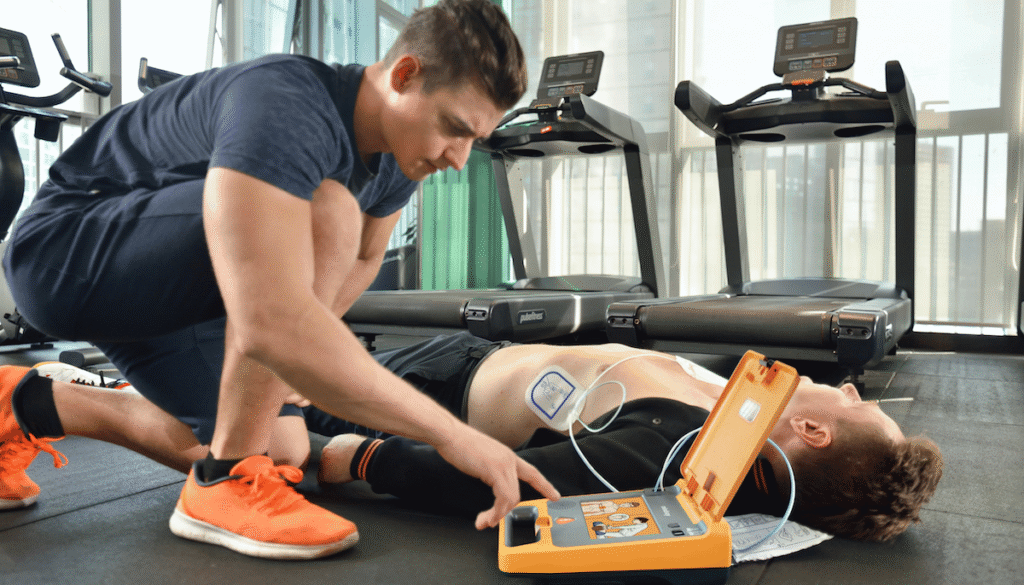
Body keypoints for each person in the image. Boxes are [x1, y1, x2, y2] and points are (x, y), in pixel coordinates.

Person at [0, 0, 558, 560]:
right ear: (404, 74)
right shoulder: (290, 103)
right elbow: (273, 317)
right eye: (454, 129)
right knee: (331, 210)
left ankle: (25, 403)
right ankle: (222, 482)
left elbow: (365, 255)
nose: (459, 159)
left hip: (181, 289)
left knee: (282, 447)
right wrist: (454, 435)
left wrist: (295, 368)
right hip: (63, 255)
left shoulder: (397, 155)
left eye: (474, 140)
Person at [304, 332, 943, 542]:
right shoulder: (740, 417)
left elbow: (502, 483)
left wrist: (343, 456)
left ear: (813, 431)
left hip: (422, 392)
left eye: (854, 404)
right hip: (458, 359)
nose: (852, 389)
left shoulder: (672, 450)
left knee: (271, 364)